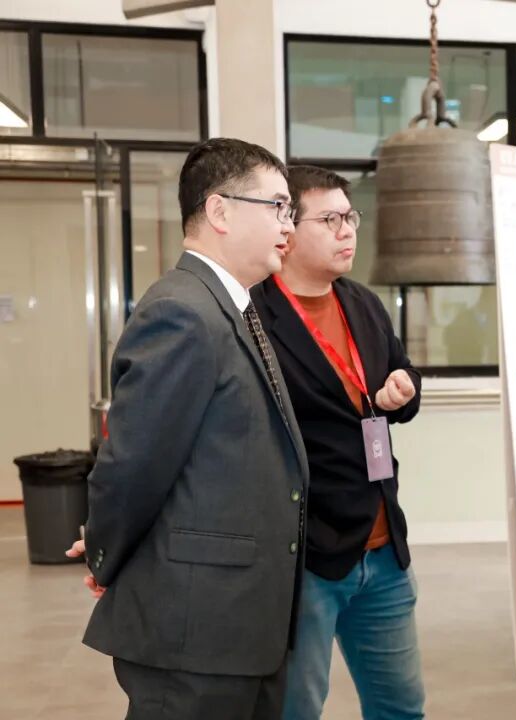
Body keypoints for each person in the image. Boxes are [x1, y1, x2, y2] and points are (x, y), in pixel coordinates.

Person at [64, 138, 309, 718]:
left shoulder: (232, 307)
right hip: (196, 631)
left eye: (291, 210)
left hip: (242, 624)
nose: (288, 225)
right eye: (277, 206)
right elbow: (133, 465)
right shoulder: (183, 311)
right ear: (220, 210)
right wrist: (105, 551)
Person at [249, 165, 425, 720]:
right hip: (308, 555)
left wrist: (404, 390)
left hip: (384, 548)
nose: (347, 230)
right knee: (297, 710)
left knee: (402, 708)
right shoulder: (252, 316)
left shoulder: (363, 303)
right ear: (288, 228)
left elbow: (401, 376)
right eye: (330, 219)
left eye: (351, 217)